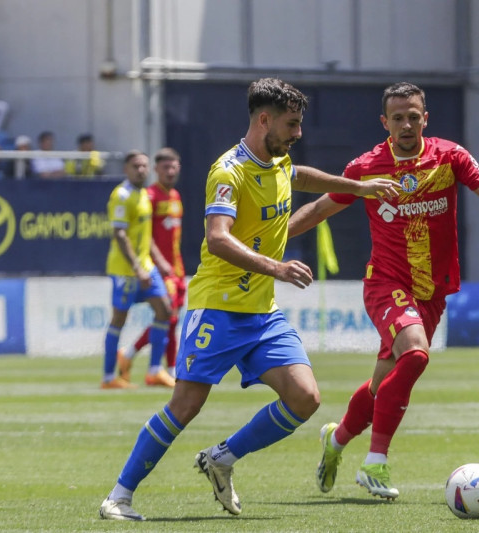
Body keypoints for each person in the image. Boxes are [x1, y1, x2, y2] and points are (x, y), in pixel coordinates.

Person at [98, 77, 398, 521]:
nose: (297, 133)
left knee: (305, 398)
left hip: (262, 312)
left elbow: (299, 176)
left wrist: (357, 186)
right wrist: (277, 267)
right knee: (185, 405)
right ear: (264, 120)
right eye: (292, 124)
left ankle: (221, 458)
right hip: (217, 306)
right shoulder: (228, 172)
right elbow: (217, 239)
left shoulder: (277, 160)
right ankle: (118, 497)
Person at [287, 81, 479, 500]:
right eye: (398, 117)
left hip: (432, 290)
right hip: (386, 282)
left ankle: (335, 441)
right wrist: (270, 237)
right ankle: (376, 463)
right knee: (415, 354)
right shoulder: (367, 167)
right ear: (384, 122)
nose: (406, 124)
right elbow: (320, 208)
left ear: (425, 118)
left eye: (413, 116)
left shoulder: (449, 156)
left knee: (383, 384)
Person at [101, 150, 175, 389]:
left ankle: (154, 371)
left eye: (144, 165)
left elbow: (145, 235)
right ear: (126, 169)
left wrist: (159, 261)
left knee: (165, 310)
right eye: (136, 166)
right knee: (119, 319)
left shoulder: (143, 194)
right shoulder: (121, 195)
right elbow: (120, 234)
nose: (141, 170)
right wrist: (137, 268)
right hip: (125, 270)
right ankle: (109, 377)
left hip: (146, 266)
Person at [118, 147, 185, 380]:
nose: (170, 171)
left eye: (174, 167)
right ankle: (164, 367)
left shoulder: (175, 197)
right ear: (156, 169)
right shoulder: (150, 196)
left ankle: (158, 365)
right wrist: (159, 262)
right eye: (165, 167)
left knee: (172, 318)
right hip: (160, 268)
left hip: (177, 267)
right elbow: (146, 236)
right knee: (168, 315)